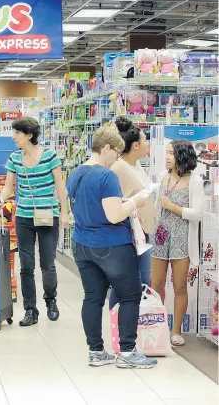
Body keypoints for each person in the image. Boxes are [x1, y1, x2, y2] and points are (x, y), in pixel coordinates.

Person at [66, 126, 157, 369]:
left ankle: (96, 351)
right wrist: (136, 201)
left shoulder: (75, 173)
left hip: (82, 245)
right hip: (111, 246)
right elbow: (114, 215)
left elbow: (92, 206)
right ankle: (127, 352)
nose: (117, 157)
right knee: (129, 296)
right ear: (105, 148)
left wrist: (122, 202)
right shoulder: (106, 176)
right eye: (116, 152)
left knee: (92, 298)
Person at [0, 117, 68, 327]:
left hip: (48, 216)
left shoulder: (50, 156)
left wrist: (64, 212)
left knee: (47, 263)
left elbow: (60, 186)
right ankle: (30, 310)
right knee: (26, 265)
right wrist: (2, 198)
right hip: (24, 217)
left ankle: (51, 301)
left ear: (29, 135)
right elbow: (9, 187)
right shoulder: (14, 159)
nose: (13, 137)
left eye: (17, 133)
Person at [150, 140, 204, 347]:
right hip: (161, 236)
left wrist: (173, 207)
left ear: (182, 155)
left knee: (180, 286)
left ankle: (176, 331)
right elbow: (156, 206)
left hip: (183, 237)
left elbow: (198, 214)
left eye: (171, 153)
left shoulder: (195, 181)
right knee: (156, 284)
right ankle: (155, 327)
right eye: (167, 152)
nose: (167, 156)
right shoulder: (163, 177)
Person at [110, 117, 156, 309]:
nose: (148, 145)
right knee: (127, 280)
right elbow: (113, 202)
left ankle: (135, 324)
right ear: (136, 145)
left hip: (141, 232)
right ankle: (118, 323)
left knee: (142, 279)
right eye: (145, 140)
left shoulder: (136, 165)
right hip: (128, 233)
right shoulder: (118, 168)